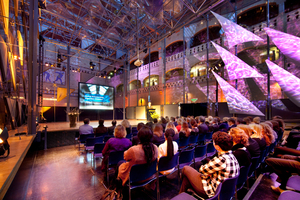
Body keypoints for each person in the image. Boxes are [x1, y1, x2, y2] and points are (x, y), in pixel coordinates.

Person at [179, 131, 239, 198]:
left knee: (186, 168)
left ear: (217, 147)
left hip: (212, 192)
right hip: (224, 191)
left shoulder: (221, 159)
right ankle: (181, 196)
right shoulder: (232, 156)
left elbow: (202, 170)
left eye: (213, 141)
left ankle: (181, 194)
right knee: (186, 180)